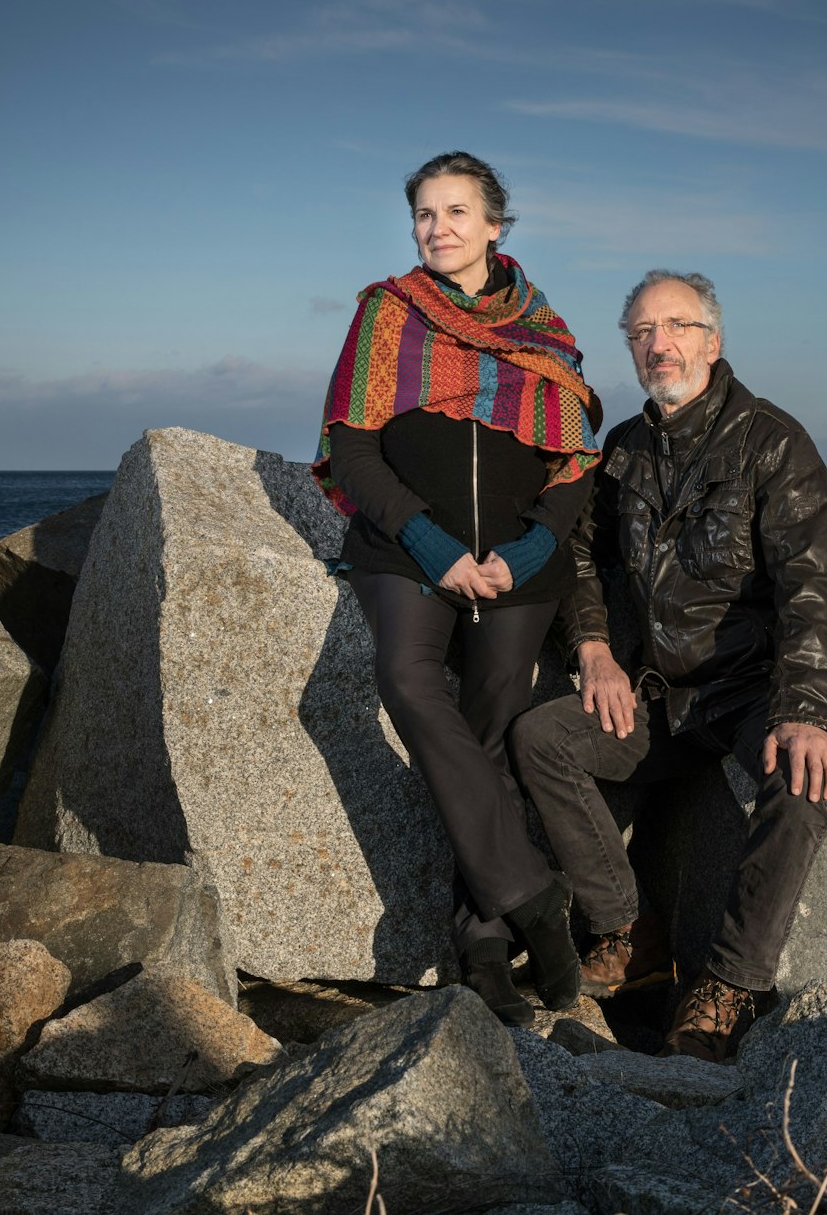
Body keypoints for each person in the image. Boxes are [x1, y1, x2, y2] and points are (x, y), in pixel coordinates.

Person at [511, 269, 827, 1061]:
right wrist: (592, 649)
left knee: (802, 783)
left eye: (675, 327)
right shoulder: (623, 449)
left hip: (748, 693)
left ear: (713, 340)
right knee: (541, 739)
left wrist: (805, 708)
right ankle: (628, 930)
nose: (657, 344)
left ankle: (731, 981)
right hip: (658, 698)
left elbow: (816, 585)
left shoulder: (773, 442)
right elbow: (580, 553)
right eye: (640, 331)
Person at [311, 151, 603, 1025]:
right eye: (426, 215)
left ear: (495, 226)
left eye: (457, 212)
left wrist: (531, 545)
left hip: (522, 564)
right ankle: (533, 897)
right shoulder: (386, 316)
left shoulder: (544, 330)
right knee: (406, 680)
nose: (439, 228)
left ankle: (479, 941)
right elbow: (352, 446)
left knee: (488, 732)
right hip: (407, 553)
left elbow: (576, 463)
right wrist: (436, 546)